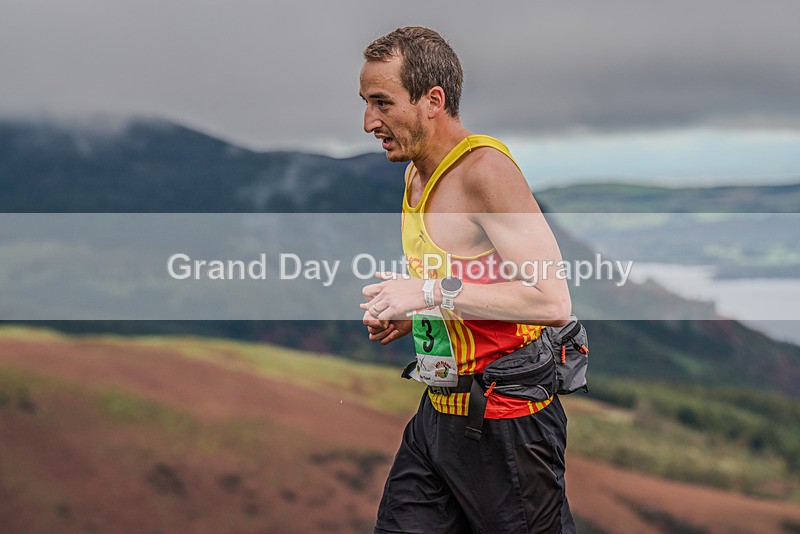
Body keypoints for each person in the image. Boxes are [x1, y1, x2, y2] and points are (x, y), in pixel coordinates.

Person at [359, 26, 575, 534]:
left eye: (382, 103)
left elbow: (551, 299)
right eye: (366, 103)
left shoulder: (486, 171)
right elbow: (466, 280)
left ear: (432, 100)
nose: (369, 121)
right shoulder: (415, 174)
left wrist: (428, 292)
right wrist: (410, 311)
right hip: (438, 412)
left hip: (507, 423)